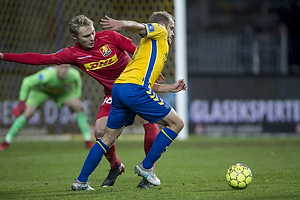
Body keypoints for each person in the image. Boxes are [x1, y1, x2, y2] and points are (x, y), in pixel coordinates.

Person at [0, 15, 160, 188]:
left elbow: (137, 50)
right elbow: (40, 58)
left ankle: (148, 172)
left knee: (149, 121)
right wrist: (3, 56)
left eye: (92, 33)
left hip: (136, 85)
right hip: (113, 94)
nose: (91, 38)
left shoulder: (109, 37)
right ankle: (115, 166)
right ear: (75, 37)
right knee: (99, 132)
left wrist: (150, 69)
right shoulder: (73, 54)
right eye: (86, 36)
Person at [71, 11, 187, 191]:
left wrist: (170, 87)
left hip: (119, 88)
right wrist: (122, 23)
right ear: (163, 26)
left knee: (107, 138)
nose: (172, 32)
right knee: (176, 124)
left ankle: (81, 181)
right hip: (134, 90)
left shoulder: (147, 48)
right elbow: (140, 27)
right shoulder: (160, 32)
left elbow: (146, 82)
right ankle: (146, 167)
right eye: (172, 28)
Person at [0, 64, 93, 150]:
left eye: (67, 67)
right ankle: (7, 141)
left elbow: (77, 84)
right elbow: (27, 81)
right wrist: (22, 101)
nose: (64, 70)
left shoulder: (74, 74)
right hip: (41, 91)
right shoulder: (47, 75)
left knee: (79, 107)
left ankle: (88, 140)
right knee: (28, 113)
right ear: (56, 67)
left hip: (59, 92)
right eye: (62, 67)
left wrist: (75, 97)